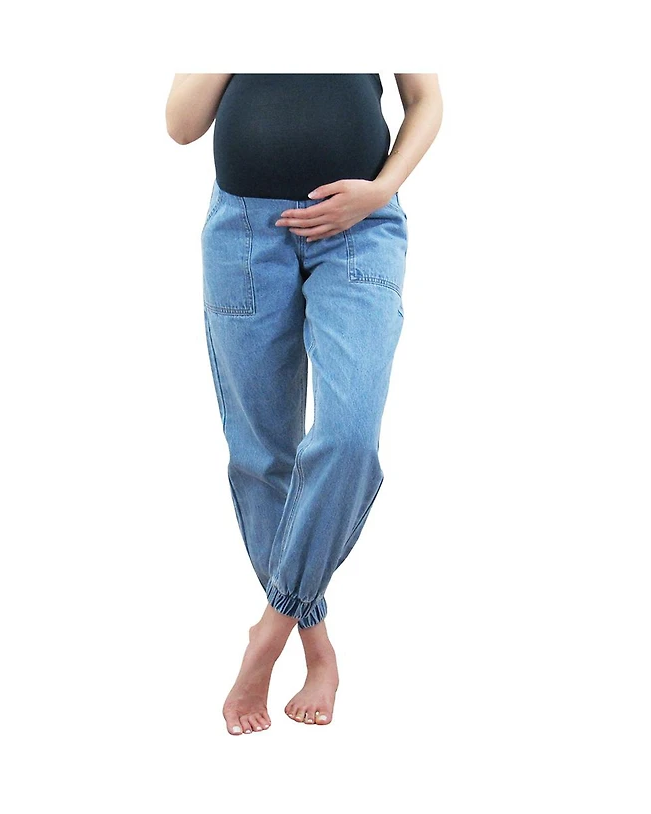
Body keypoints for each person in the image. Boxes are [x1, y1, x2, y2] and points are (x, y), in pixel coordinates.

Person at [166, 73, 443, 735]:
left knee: (349, 438)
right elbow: (181, 126)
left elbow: (426, 100)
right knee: (263, 457)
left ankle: (268, 633)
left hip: (361, 228)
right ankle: (314, 643)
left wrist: (380, 189)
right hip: (243, 232)